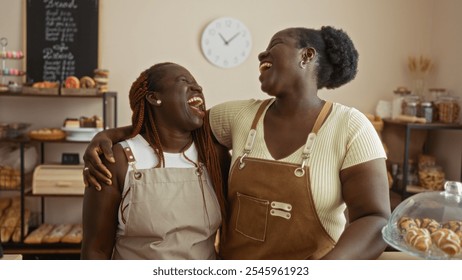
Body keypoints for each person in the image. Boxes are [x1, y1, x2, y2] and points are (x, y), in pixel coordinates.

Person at [82, 26, 391, 260]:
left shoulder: (351, 127)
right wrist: (108, 136)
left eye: (275, 46)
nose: (261, 55)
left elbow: (375, 219)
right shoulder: (239, 116)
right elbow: (170, 125)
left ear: (306, 56)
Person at [80, 62, 230, 259]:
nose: (198, 88)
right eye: (184, 81)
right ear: (154, 98)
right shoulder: (116, 160)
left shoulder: (214, 156)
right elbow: (96, 251)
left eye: (197, 84)